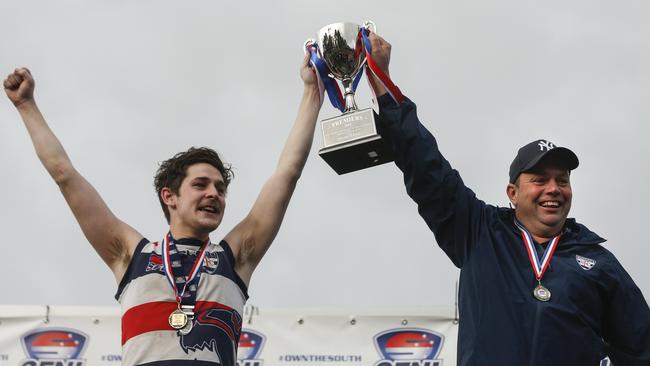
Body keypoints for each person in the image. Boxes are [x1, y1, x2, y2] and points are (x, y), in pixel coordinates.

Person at [4, 55, 321, 366]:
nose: (214, 194)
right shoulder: (131, 255)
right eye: (200, 185)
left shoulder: (235, 258)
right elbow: (65, 176)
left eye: (220, 189)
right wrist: (26, 106)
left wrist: (311, 93)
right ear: (169, 196)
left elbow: (287, 174)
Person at [366, 33, 650, 365]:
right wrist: (382, 82)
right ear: (512, 193)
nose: (553, 189)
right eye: (539, 180)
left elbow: (641, 350)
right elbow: (427, 168)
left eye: (562, 180)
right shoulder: (478, 231)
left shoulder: (598, 263)